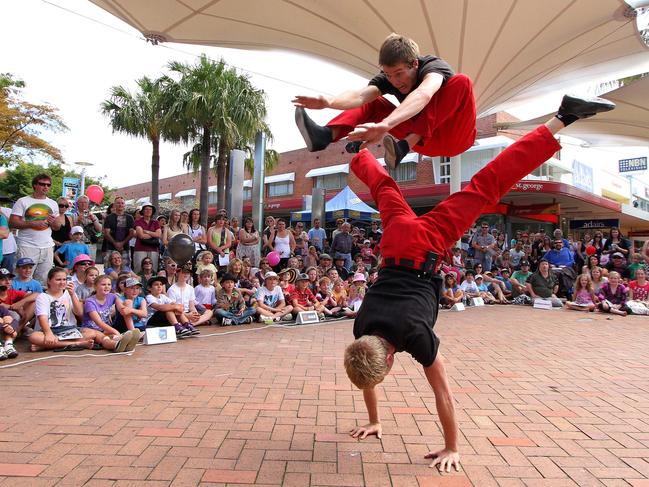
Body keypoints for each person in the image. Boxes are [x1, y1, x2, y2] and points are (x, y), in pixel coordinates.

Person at [342, 94, 614, 471]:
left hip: (428, 248)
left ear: (390, 359)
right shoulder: (361, 330)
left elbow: (444, 394)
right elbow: (365, 373)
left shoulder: (414, 336)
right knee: (386, 190)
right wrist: (374, 420)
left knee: (486, 186)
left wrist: (452, 447)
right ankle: (357, 154)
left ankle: (563, 117)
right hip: (396, 243)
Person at [293, 33, 475, 169]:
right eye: (388, 75)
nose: (395, 81)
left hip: (456, 136)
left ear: (415, 64)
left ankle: (404, 146)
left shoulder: (433, 67)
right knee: (374, 103)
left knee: (462, 81)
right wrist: (329, 101)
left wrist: (386, 124)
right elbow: (361, 96)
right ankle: (325, 135)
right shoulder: (388, 79)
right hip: (424, 143)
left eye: (399, 73)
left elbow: (424, 93)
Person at [29, 267, 137, 353]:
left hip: (70, 330)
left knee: (96, 334)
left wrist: (72, 295)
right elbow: (42, 317)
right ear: (49, 281)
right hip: (51, 330)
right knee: (34, 337)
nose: (62, 282)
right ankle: (77, 344)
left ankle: (116, 344)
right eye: (58, 279)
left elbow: (79, 312)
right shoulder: (43, 297)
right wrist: (48, 333)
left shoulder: (69, 293)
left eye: (64, 279)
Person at [9, 173, 64, 284]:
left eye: (48, 185)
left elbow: (57, 227)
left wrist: (54, 222)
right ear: (35, 185)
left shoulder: (52, 203)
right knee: (22, 280)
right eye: (42, 184)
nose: (45, 187)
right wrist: (32, 224)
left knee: (43, 281)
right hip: (27, 246)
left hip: (47, 247)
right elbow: (12, 222)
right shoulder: (23, 201)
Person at [166, 266, 209, 330]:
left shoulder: (190, 288)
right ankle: (188, 323)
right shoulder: (172, 289)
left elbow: (191, 305)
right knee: (178, 314)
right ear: (177, 273)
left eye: (188, 273)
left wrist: (195, 314)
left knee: (209, 312)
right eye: (183, 272)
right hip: (179, 314)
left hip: (188, 312)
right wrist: (187, 315)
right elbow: (173, 308)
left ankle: (191, 324)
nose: (186, 274)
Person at [103, 196, 136, 268]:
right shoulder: (109, 217)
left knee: (126, 269)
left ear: (124, 205)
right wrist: (115, 243)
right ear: (114, 205)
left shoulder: (129, 217)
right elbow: (106, 233)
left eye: (122, 203)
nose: (120, 205)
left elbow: (131, 233)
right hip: (111, 247)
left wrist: (122, 243)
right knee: (109, 268)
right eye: (118, 203)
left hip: (125, 247)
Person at [133, 204, 161, 273]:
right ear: (142, 211)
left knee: (153, 269)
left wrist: (147, 231)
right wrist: (153, 234)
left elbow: (159, 234)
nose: (148, 211)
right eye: (146, 209)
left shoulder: (155, 222)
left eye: (150, 209)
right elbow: (141, 235)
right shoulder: (138, 221)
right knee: (138, 269)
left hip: (153, 249)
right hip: (140, 248)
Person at [74, 195, 103, 261]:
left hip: (91, 244)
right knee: (78, 264)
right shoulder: (73, 216)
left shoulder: (92, 215)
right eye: (81, 202)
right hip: (78, 244)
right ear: (77, 204)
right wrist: (78, 222)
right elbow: (72, 231)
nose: (83, 204)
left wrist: (94, 220)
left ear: (88, 204)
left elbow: (100, 231)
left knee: (90, 266)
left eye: (85, 202)